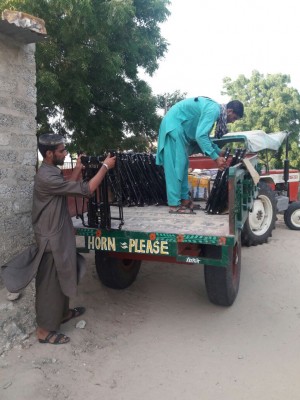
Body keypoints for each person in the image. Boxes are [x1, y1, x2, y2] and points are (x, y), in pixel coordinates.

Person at [2, 133, 116, 345]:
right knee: (50, 286)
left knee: (64, 276)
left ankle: (62, 314)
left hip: (58, 236)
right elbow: (87, 190)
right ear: (49, 154)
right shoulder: (46, 176)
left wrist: (78, 169)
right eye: (62, 151)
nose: (65, 153)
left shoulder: (50, 172)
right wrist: (105, 167)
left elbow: (66, 188)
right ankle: (44, 331)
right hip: (51, 241)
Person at [155, 96, 244, 214]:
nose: (233, 121)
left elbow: (203, 137)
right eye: (234, 118)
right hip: (173, 126)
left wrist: (218, 151)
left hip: (179, 129)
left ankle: (184, 199)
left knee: (183, 164)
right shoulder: (214, 110)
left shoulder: (215, 110)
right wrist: (215, 158)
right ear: (229, 111)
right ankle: (174, 205)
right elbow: (200, 136)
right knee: (177, 166)